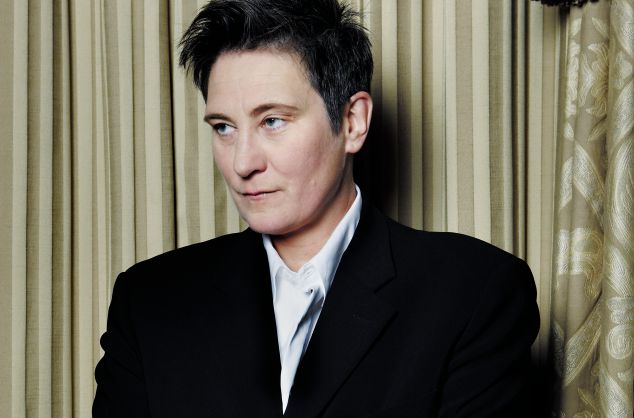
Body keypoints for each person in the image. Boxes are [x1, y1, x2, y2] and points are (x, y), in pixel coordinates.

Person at [93, 0, 540, 416]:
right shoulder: (149, 300)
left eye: (272, 121)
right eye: (224, 127)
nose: (243, 163)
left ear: (352, 122)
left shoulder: (472, 291)